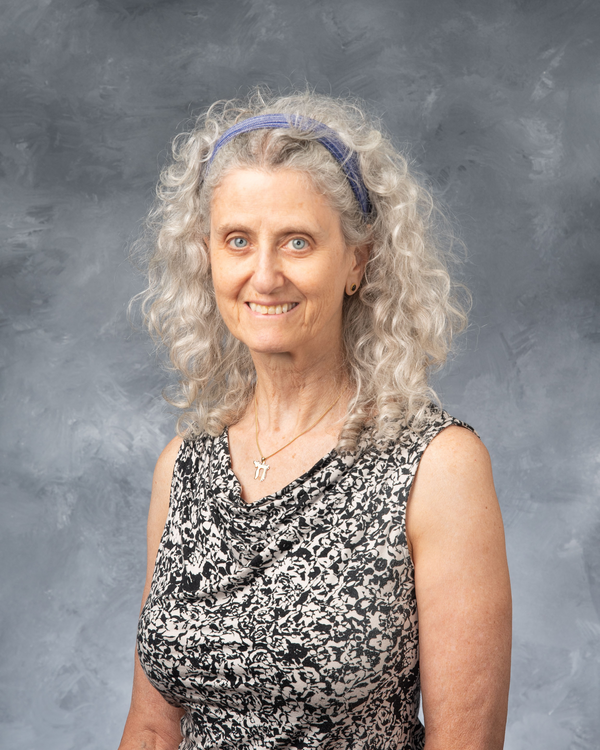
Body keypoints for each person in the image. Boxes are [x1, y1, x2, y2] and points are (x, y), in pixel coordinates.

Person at [118, 89, 511, 750]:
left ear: (357, 261)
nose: (264, 275)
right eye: (237, 241)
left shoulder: (436, 467)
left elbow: (466, 741)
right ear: (206, 255)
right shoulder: (183, 467)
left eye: (297, 242)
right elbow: (153, 729)